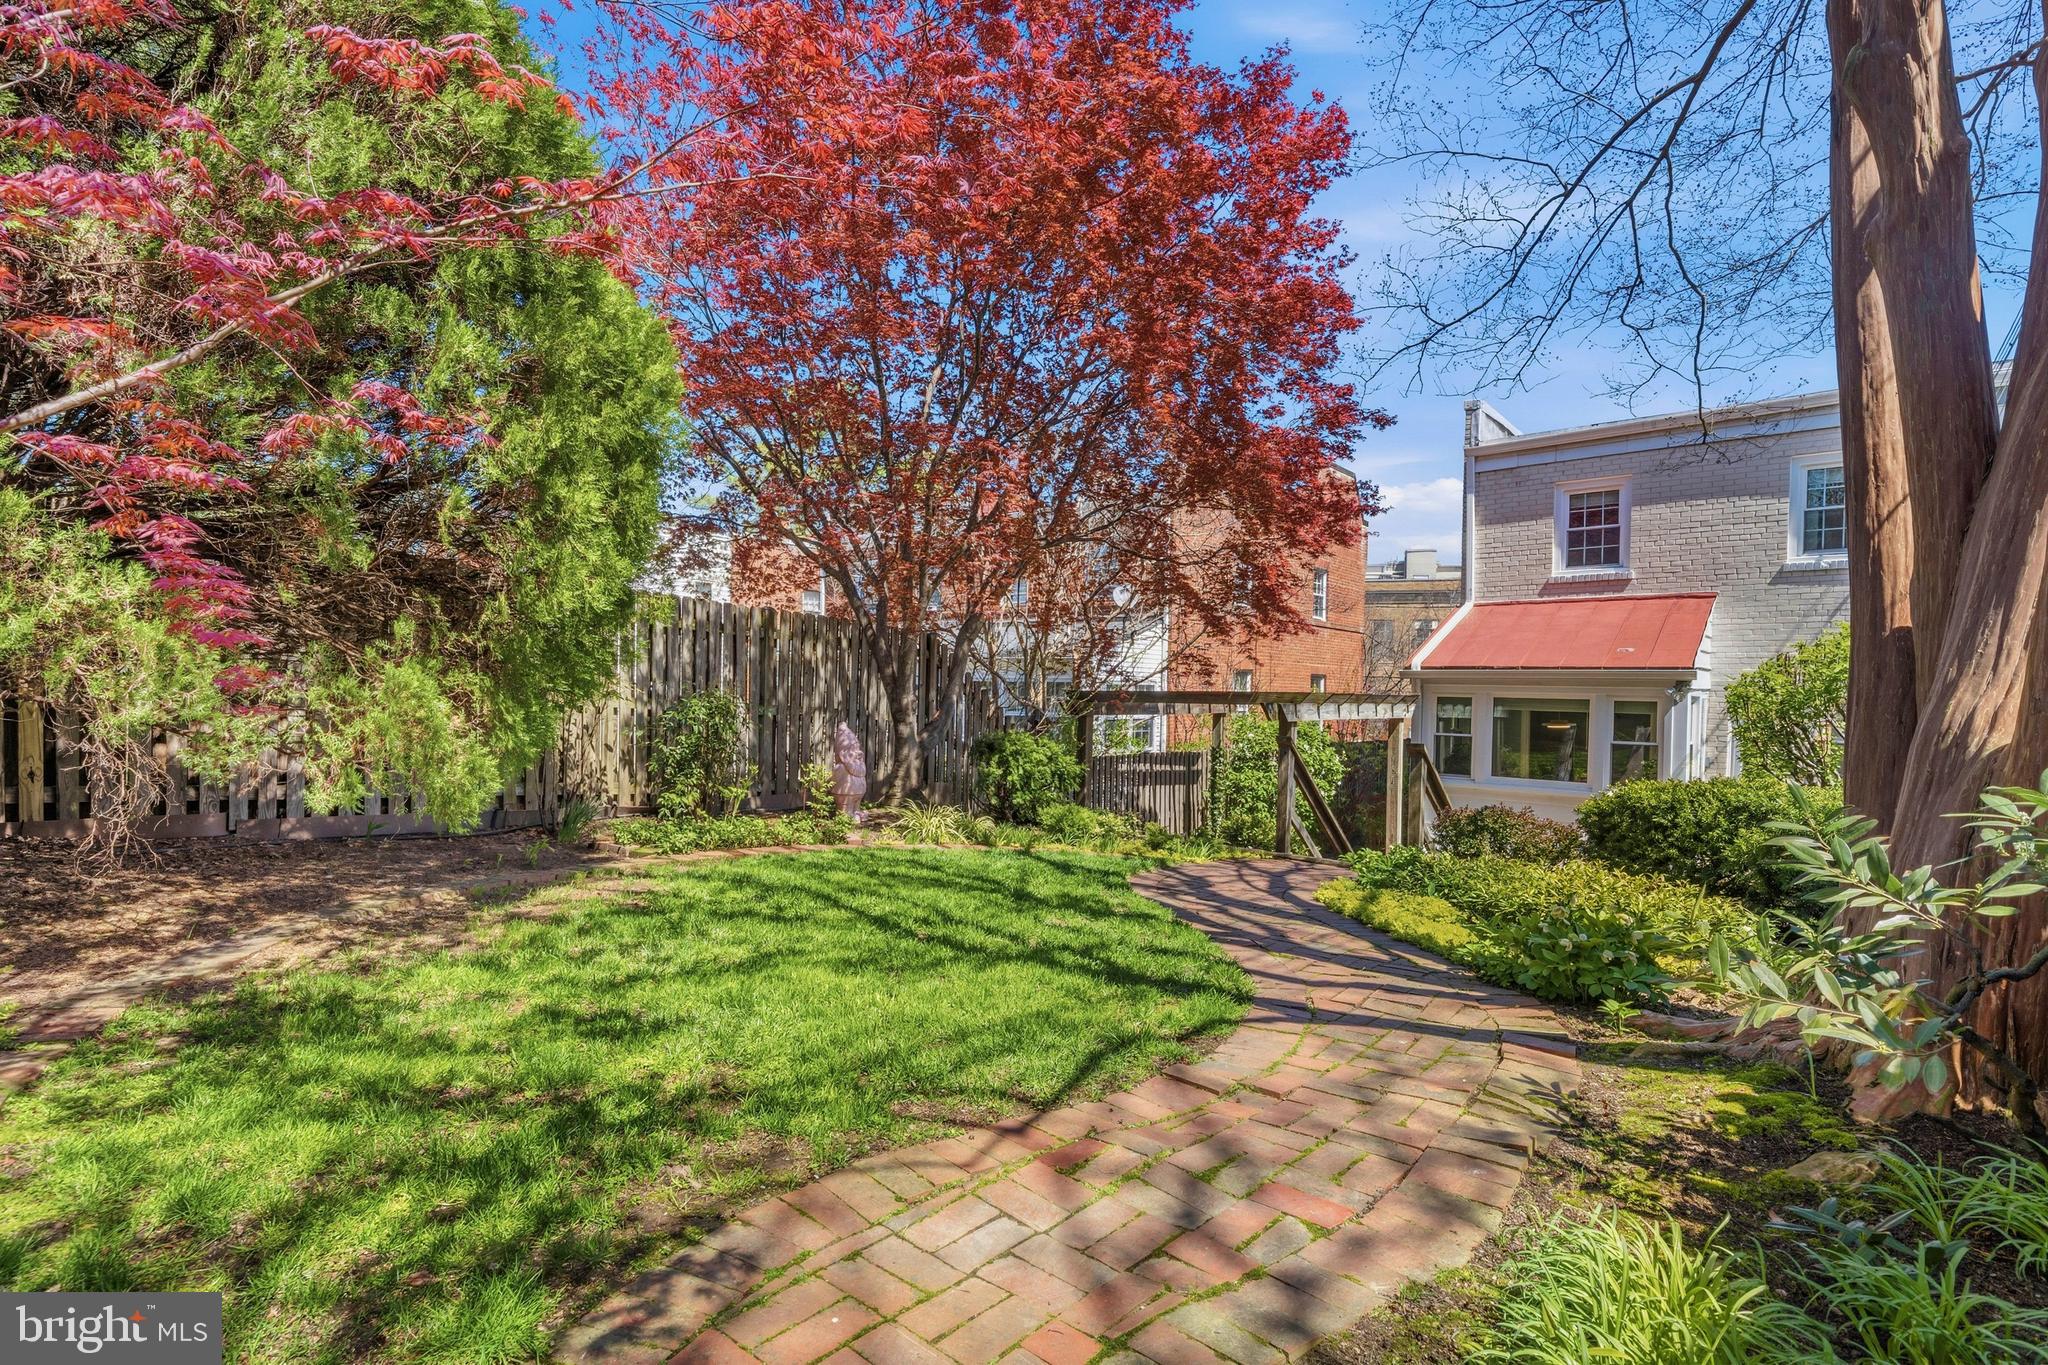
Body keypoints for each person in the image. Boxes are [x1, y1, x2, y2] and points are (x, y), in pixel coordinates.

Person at [830, 721, 867, 823]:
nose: (857, 751)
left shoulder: (859, 763)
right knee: (845, 809)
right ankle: (845, 816)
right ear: (843, 753)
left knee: (856, 809)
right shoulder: (841, 768)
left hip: (858, 794)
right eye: (853, 748)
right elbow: (834, 781)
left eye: (857, 747)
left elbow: (861, 771)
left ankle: (856, 811)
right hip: (844, 795)